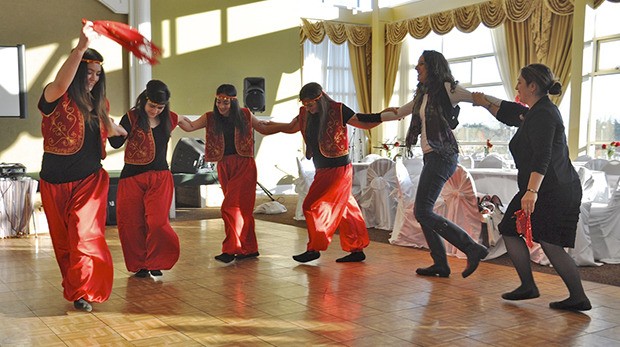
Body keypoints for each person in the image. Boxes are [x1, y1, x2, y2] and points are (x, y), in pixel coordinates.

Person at [472, 63, 591, 311]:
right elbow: (510, 113)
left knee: (549, 241)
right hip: (543, 187)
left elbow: (543, 155)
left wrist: (531, 191)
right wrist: (485, 102)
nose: (516, 86)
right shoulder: (536, 111)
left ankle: (578, 296)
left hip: (554, 189)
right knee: (508, 228)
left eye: (520, 82)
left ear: (533, 86)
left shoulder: (545, 113)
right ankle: (528, 286)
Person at [38, 21, 127, 312]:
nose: (92, 78)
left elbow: (113, 131)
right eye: (88, 72)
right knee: (64, 243)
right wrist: (80, 48)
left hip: (89, 181)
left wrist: (121, 131)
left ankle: (87, 287)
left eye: (97, 74)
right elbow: (63, 83)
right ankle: (76, 289)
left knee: (84, 235)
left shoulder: (99, 105)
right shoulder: (55, 95)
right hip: (53, 181)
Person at [264, 82, 404, 263]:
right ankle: (357, 249)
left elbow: (363, 121)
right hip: (322, 168)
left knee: (310, 205)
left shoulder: (337, 109)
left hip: (338, 169)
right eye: (305, 104)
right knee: (347, 209)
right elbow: (291, 127)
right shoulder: (305, 114)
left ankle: (314, 247)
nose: (308, 108)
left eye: (311, 104)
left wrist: (385, 115)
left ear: (320, 99)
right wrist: (266, 126)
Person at [393, 50, 489, 278]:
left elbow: (473, 97)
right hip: (432, 156)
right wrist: (362, 118)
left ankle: (471, 247)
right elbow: (397, 112)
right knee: (422, 211)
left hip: (442, 155)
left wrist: (498, 106)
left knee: (423, 211)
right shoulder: (422, 97)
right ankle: (441, 264)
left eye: (421, 64)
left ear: (433, 66)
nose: (417, 68)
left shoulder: (447, 89)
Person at [177, 84, 277, 263]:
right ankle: (249, 248)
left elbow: (263, 126)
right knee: (242, 209)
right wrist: (175, 117)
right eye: (219, 102)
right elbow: (190, 127)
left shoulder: (245, 114)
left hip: (244, 164)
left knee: (231, 207)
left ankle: (231, 249)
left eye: (226, 102)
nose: (222, 106)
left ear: (234, 101)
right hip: (224, 165)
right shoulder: (210, 117)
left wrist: (291, 126)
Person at [109, 80, 180, 278]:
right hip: (131, 178)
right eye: (152, 106)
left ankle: (156, 260)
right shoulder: (131, 117)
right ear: (143, 101)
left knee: (157, 222)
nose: (155, 110)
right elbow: (115, 143)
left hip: (160, 178)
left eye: (160, 107)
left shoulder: (169, 118)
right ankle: (140, 264)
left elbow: (189, 123)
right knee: (132, 224)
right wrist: (109, 125)